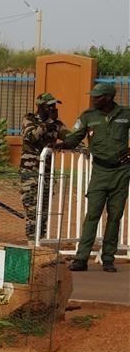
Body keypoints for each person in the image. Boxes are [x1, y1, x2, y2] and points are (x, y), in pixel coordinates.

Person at [55, 83, 130, 273]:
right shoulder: (88, 116)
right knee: (92, 214)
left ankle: (108, 259)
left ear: (109, 98)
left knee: (115, 216)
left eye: (98, 96)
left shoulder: (125, 114)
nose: (94, 99)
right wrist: (63, 144)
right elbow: (75, 137)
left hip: (121, 172)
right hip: (100, 172)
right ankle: (81, 258)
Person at [19, 93, 68, 240]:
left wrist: (72, 144)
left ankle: (39, 239)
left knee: (44, 209)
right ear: (40, 107)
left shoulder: (57, 124)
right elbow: (30, 137)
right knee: (32, 207)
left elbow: (71, 137)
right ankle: (31, 240)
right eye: (49, 106)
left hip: (47, 173)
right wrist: (48, 123)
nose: (53, 108)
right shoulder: (29, 120)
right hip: (30, 172)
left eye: (54, 105)